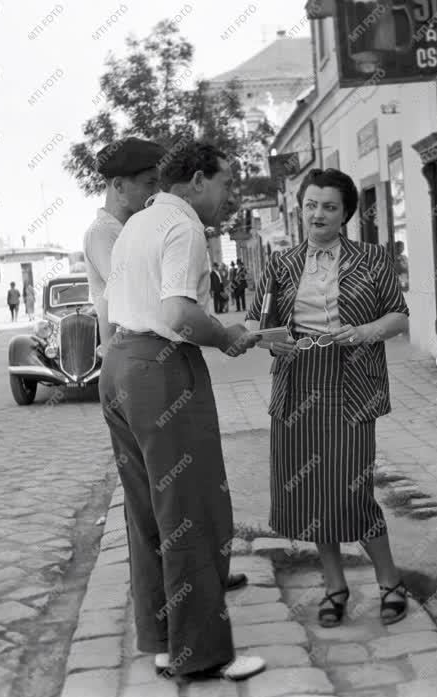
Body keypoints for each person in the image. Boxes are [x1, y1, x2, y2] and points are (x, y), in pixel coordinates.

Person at [100, 141, 265, 681]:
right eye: (223, 182)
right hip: (163, 367)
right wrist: (227, 338)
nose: (228, 196)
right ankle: (205, 652)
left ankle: (165, 640)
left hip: (121, 366)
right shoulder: (185, 227)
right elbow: (178, 311)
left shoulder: (136, 225)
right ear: (195, 181)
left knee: (147, 513)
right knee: (193, 510)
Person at [246, 167, 410, 628]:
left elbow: (399, 316)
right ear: (302, 209)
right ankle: (334, 585)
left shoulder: (374, 259)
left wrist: (364, 332)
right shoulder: (280, 264)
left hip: (352, 386)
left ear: (346, 215)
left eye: (330, 207)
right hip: (298, 384)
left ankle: (389, 581)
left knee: (353, 490)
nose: (318, 214)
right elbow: (260, 324)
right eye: (312, 205)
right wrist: (271, 341)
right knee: (311, 491)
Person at [83, 137, 165, 354]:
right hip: (129, 354)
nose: (157, 192)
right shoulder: (102, 232)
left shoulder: (133, 229)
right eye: (150, 183)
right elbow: (135, 293)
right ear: (118, 185)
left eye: (158, 183)